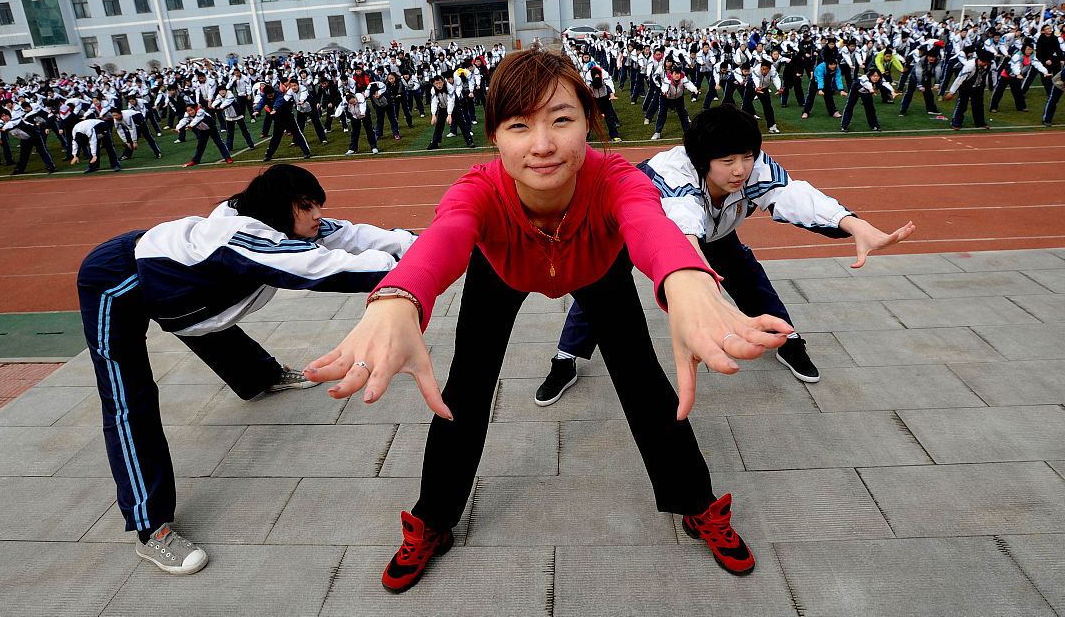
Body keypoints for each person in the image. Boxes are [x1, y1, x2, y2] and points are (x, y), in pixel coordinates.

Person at [304, 47, 796, 591]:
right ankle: (433, 520)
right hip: (503, 270)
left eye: (562, 119)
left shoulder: (614, 178)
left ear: (589, 120)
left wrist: (688, 279)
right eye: (519, 125)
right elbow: (444, 236)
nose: (542, 145)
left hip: (596, 266)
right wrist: (398, 297)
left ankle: (696, 502)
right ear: (494, 136)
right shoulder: (480, 189)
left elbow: (648, 224)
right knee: (461, 392)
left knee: (646, 382)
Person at [77, 165, 417, 575]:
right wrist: (416, 268)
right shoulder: (240, 239)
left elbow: (352, 236)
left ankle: (260, 376)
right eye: (306, 207)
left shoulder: (288, 223)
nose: (316, 216)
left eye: (316, 206)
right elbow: (323, 268)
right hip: (116, 281)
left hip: (177, 284)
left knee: (206, 313)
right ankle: (151, 528)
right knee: (130, 402)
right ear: (279, 207)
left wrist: (423, 244)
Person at [535, 105, 916, 405]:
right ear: (702, 160)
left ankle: (788, 339)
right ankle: (565, 359)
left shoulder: (753, 167)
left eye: (747, 157)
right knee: (600, 289)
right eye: (728, 161)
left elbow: (794, 196)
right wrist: (701, 293)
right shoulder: (673, 173)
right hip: (634, 229)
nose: (740, 171)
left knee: (747, 275)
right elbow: (683, 228)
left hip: (714, 233)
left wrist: (855, 225)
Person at [176, 102, 233, 167]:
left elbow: (197, 120)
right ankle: (195, 160)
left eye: (191, 110)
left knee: (219, 143)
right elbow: (184, 120)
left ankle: (228, 158)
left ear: (195, 109)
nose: (190, 112)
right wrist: (178, 127)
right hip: (202, 130)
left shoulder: (200, 111)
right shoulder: (187, 114)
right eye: (188, 111)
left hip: (211, 128)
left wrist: (191, 125)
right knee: (200, 145)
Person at [840, 66, 890, 133]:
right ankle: (844, 126)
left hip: (867, 92)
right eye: (874, 76)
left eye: (878, 76)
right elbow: (867, 84)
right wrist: (871, 90)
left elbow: (886, 84)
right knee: (850, 106)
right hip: (856, 90)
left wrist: (893, 92)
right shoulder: (864, 79)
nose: (876, 78)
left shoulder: (880, 79)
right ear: (870, 76)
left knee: (870, 108)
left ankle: (874, 125)